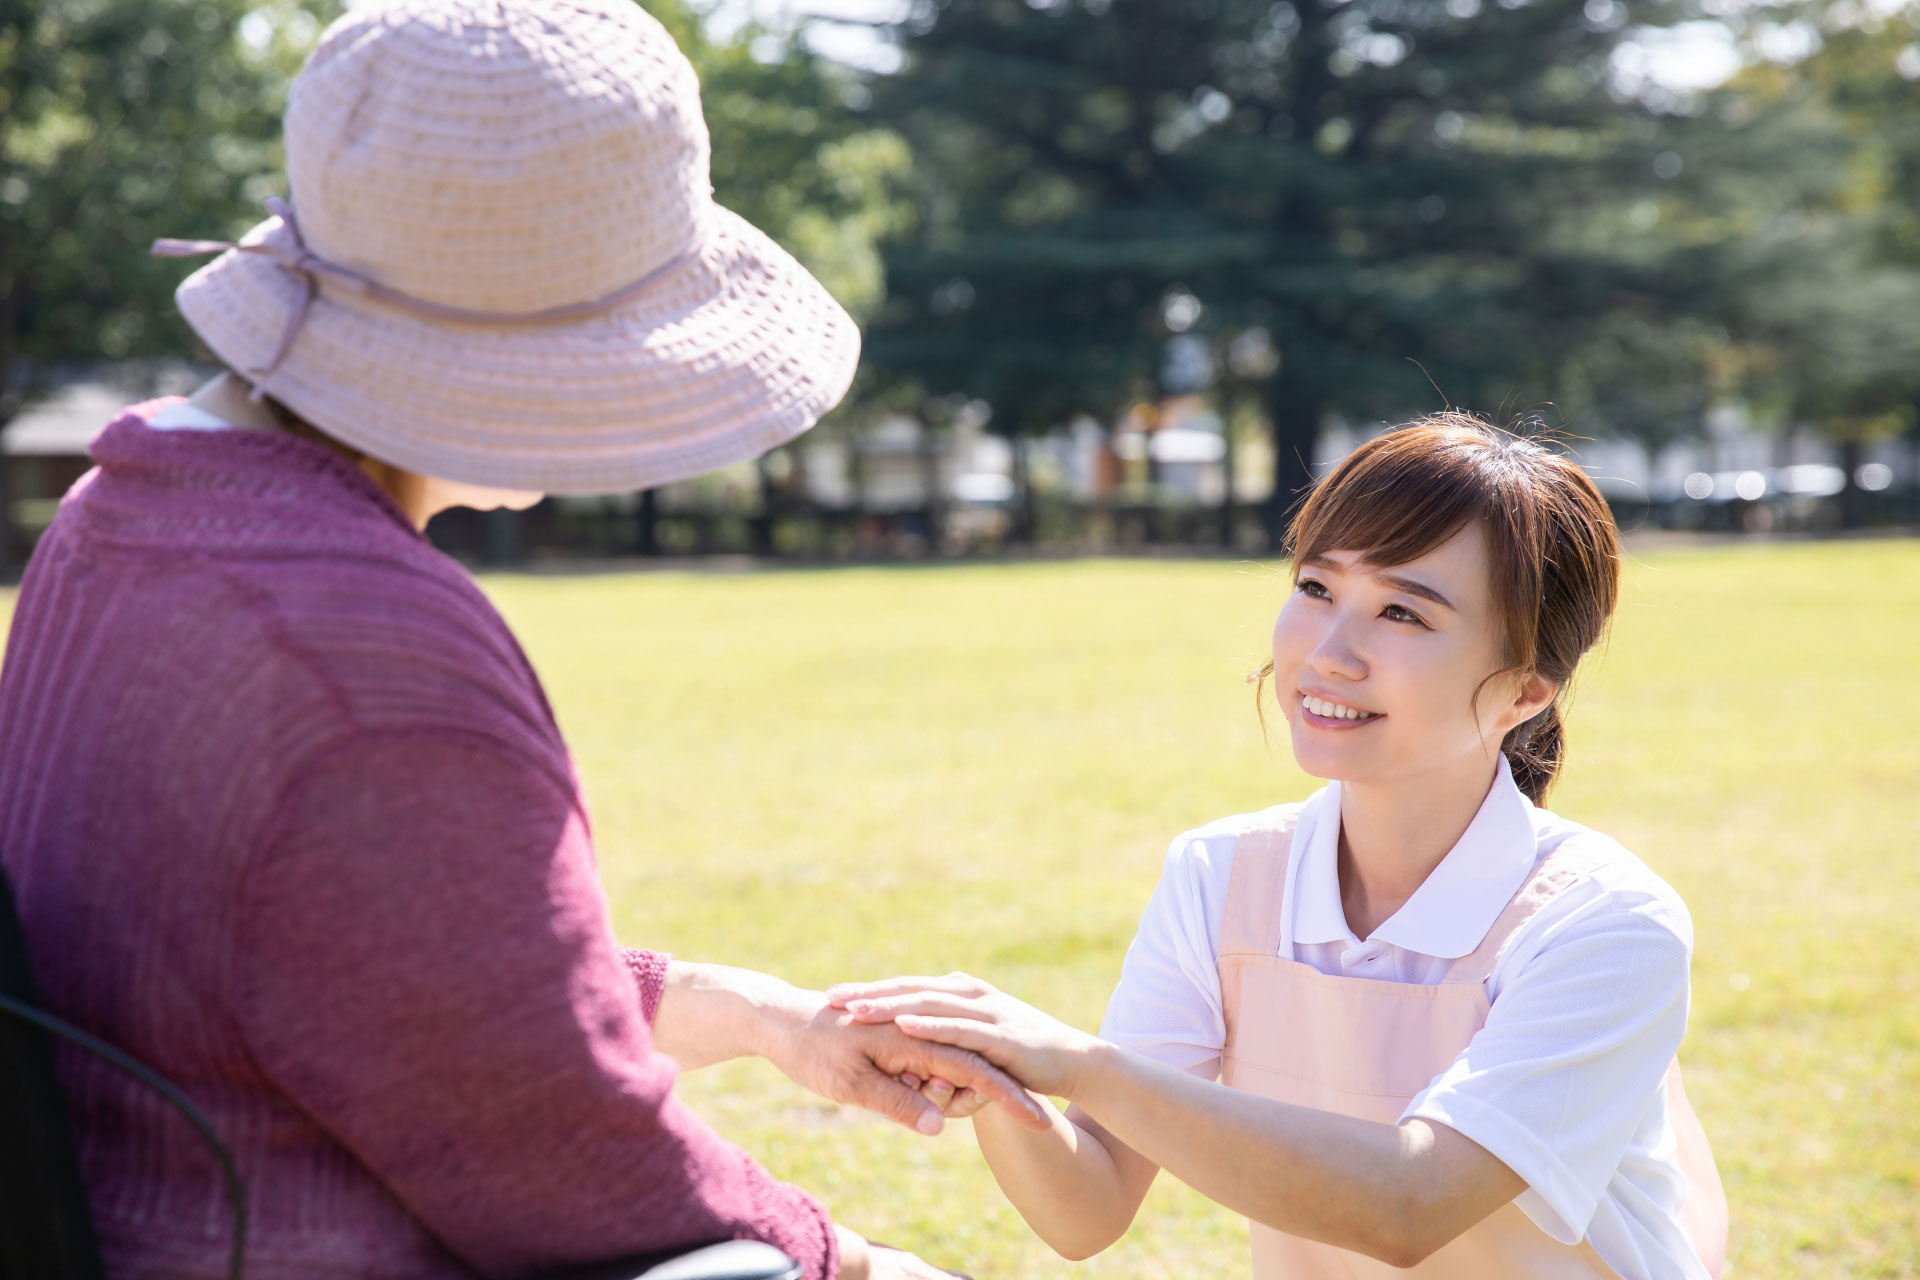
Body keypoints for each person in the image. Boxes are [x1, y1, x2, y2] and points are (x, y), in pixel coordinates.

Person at [0, 2, 1050, 1277]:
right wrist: (858, 1261)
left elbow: (389, 973)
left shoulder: (121, 512)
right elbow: (570, 1169)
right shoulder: (363, 652)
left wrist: (757, 1015)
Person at [830, 416, 1730, 1279]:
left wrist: (1080, 1065)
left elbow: (1410, 1205)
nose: (1329, 651)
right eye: (1315, 588)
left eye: (1404, 614)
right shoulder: (1221, 876)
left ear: (1523, 693)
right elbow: (1086, 1207)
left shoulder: (1605, 919)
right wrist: (994, 1073)